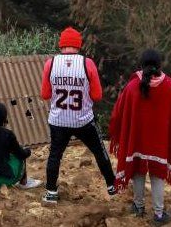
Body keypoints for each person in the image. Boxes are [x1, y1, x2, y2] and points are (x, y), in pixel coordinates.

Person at [109, 50, 171, 225]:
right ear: (159, 65)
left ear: (142, 64)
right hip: (159, 143)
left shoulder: (131, 87)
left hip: (136, 141)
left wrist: (121, 132)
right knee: (157, 174)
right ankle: (159, 214)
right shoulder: (169, 86)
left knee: (137, 170)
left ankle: (138, 207)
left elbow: (118, 114)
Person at [41, 26, 117, 204]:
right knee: (99, 151)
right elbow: (97, 96)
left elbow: (45, 95)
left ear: (61, 45)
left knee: (55, 155)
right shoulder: (87, 63)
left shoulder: (50, 63)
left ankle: (51, 192)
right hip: (83, 119)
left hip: (58, 119)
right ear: (78, 45)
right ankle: (112, 186)